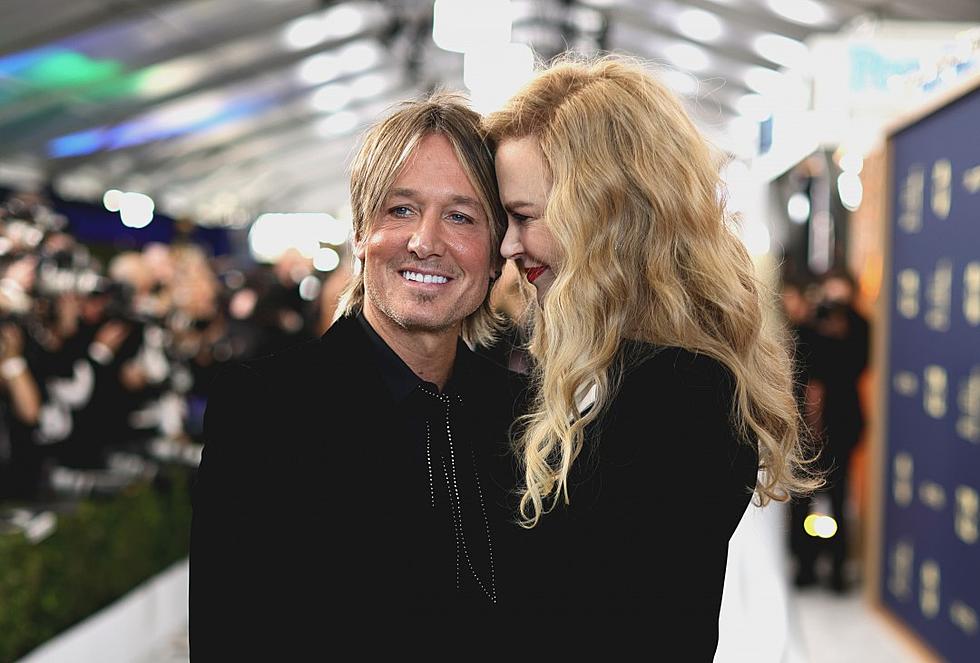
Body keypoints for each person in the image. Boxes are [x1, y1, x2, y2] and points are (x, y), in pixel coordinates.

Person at [485, 56, 818, 655]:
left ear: (604, 215)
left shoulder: (682, 390)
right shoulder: (616, 368)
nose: (508, 244)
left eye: (525, 217)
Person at [189, 94, 522, 657]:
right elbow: (228, 637)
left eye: (461, 216)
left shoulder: (524, 416)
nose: (425, 241)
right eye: (401, 210)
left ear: (497, 252)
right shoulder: (266, 408)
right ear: (361, 234)